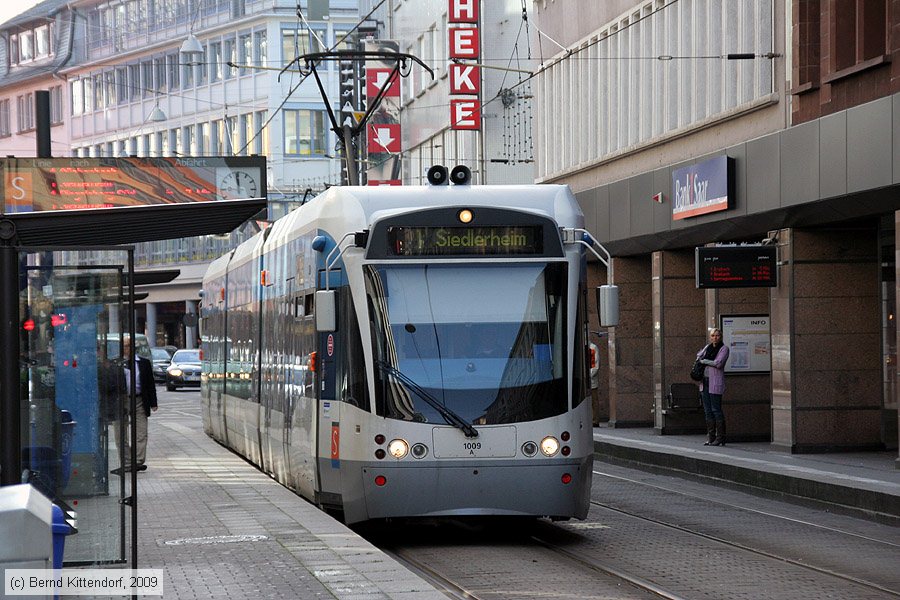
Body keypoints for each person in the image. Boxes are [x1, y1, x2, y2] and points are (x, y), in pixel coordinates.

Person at [111, 336, 158, 473]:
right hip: (122, 400)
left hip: (139, 400)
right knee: (120, 432)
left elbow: (150, 384)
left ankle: (137, 461)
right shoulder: (117, 363)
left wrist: (153, 403)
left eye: (129, 346)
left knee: (141, 432)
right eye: (125, 346)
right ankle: (126, 462)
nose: (127, 348)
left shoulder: (144, 363)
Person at [696, 328, 730, 446]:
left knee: (716, 410)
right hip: (704, 382)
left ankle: (720, 437)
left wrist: (705, 361)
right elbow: (698, 357)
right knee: (707, 411)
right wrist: (703, 360)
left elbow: (719, 363)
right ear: (710, 337)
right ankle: (711, 437)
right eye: (713, 335)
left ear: (721, 337)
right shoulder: (707, 347)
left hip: (715, 383)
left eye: (717, 335)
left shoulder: (724, 349)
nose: (715, 338)